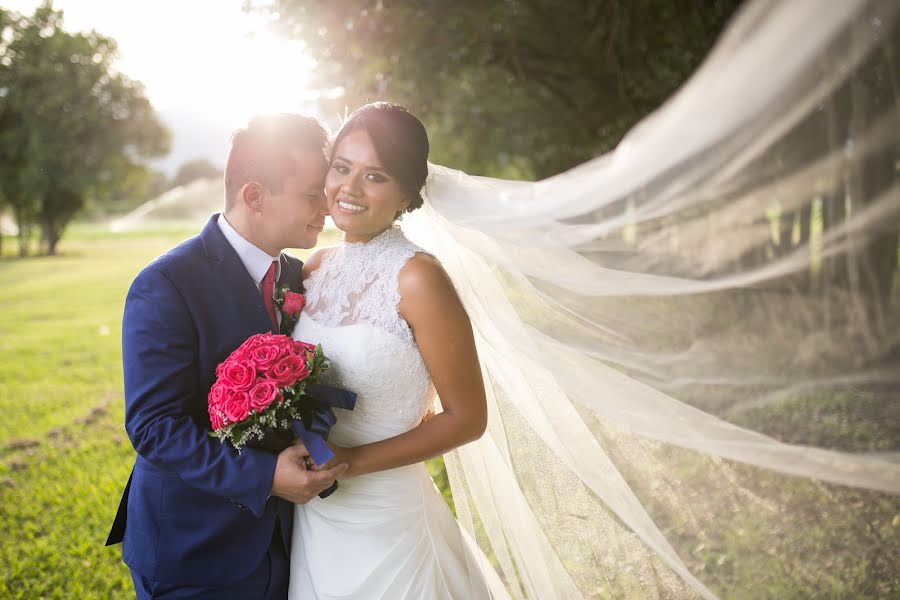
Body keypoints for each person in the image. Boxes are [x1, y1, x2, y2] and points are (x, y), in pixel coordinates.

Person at [106, 113, 348, 599]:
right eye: (311, 195)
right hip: (193, 551)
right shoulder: (165, 285)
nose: (327, 208)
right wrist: (265, 477)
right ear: (255, 196)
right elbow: (154, 426)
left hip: (286, 543)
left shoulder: (296, 277)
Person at [287, 103, 500, 599]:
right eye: (342, 168)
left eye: (375, 176)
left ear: (406, 195)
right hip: (314, 516)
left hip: (387, 520)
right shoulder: (315, 266)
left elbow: (468, 418)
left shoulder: (420, 278)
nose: (350, 188)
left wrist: (350, 462)